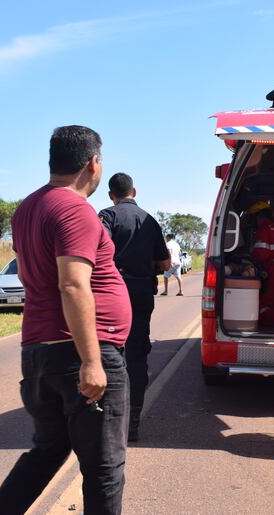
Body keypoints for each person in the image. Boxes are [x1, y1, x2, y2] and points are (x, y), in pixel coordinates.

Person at [0, 125, 130, 515]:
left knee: (47, 452)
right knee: (104, 467)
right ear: (93, 163)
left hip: (39, 354)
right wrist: (92, 361)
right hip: (79, 352)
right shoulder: (74, 209)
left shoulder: (28, 207)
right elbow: (72, 285)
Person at [99, 173, 170, 442]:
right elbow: (164, 263)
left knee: (109, 354)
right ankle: (133, 424)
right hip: (141, 294)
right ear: (134, 191)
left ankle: (109, 424)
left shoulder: (106, 216)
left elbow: (98, 251)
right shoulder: (150, 221)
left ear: (111, 194)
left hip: (111, 295)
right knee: (137, 356)